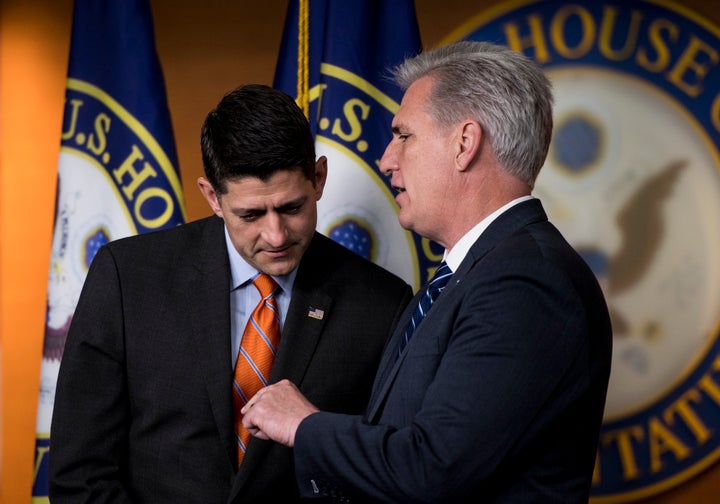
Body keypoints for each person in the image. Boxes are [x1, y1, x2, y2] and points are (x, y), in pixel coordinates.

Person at [241, 41, 614, 503]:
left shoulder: (525, 283)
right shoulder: (467, 276)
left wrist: (304, 426)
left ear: (464, 143)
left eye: (403, 135)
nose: (386, 160)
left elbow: (433, 469)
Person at [48, 84, 413, 503]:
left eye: (291, 208)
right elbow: (79, 474)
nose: (276, 235)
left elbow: (382, 472)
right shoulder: (127, 277)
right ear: (212, 197)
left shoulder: (381, 304)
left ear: (318, 178)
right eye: (251, 214)